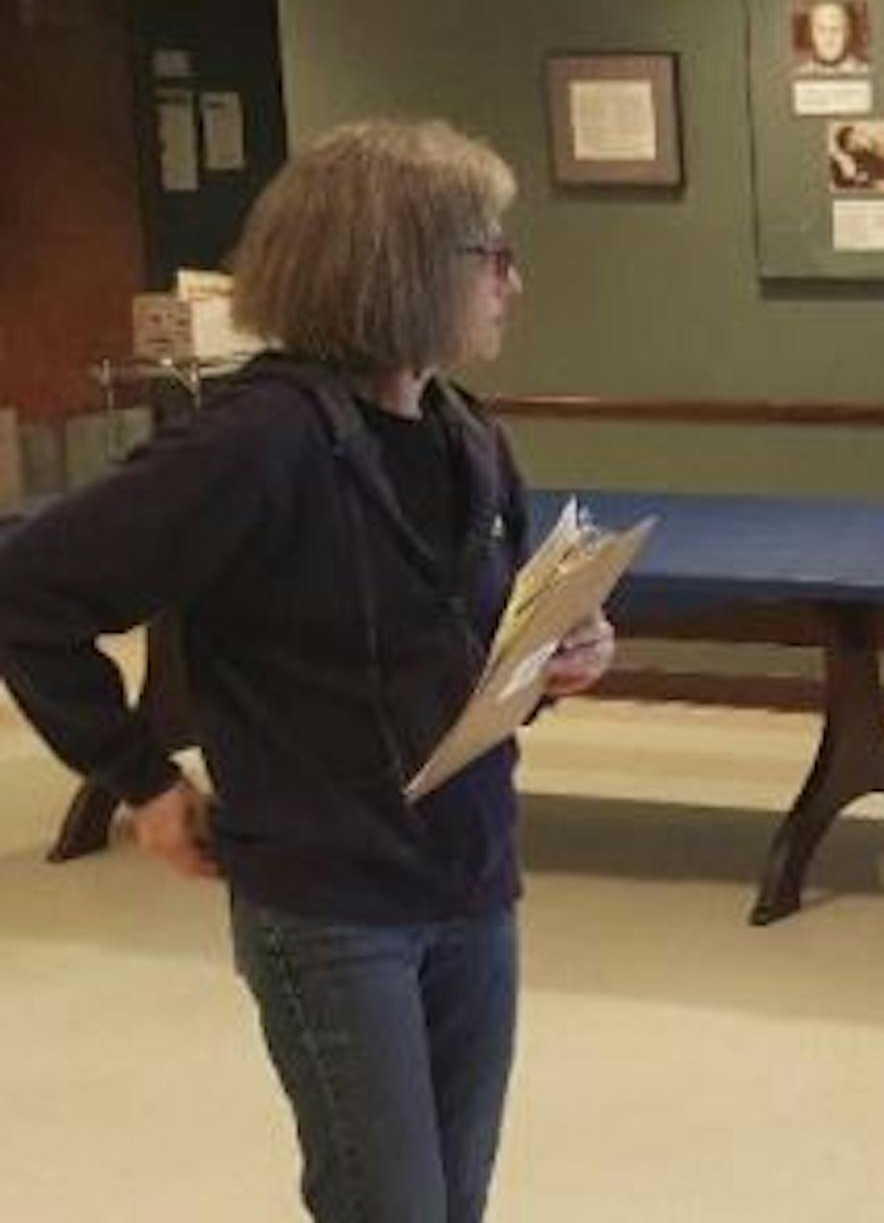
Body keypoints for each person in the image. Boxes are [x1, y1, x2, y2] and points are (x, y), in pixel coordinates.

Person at [0, 118, 615, 1222]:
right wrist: (140, 779)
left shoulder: (464, 433)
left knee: (452, 1202)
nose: (513, 282)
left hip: (471, 877)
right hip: (333, 906)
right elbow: (26, 593)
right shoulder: (256, 442)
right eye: (492, 253)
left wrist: (561, 651)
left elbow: (461, 635)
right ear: (406, 267)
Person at [797, 0, 868, 74]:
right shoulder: (799, 74)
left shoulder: (866, 72)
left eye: (835, 29)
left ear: (848, 32)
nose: (828, 38)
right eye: (821, 29)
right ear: (811, 33)